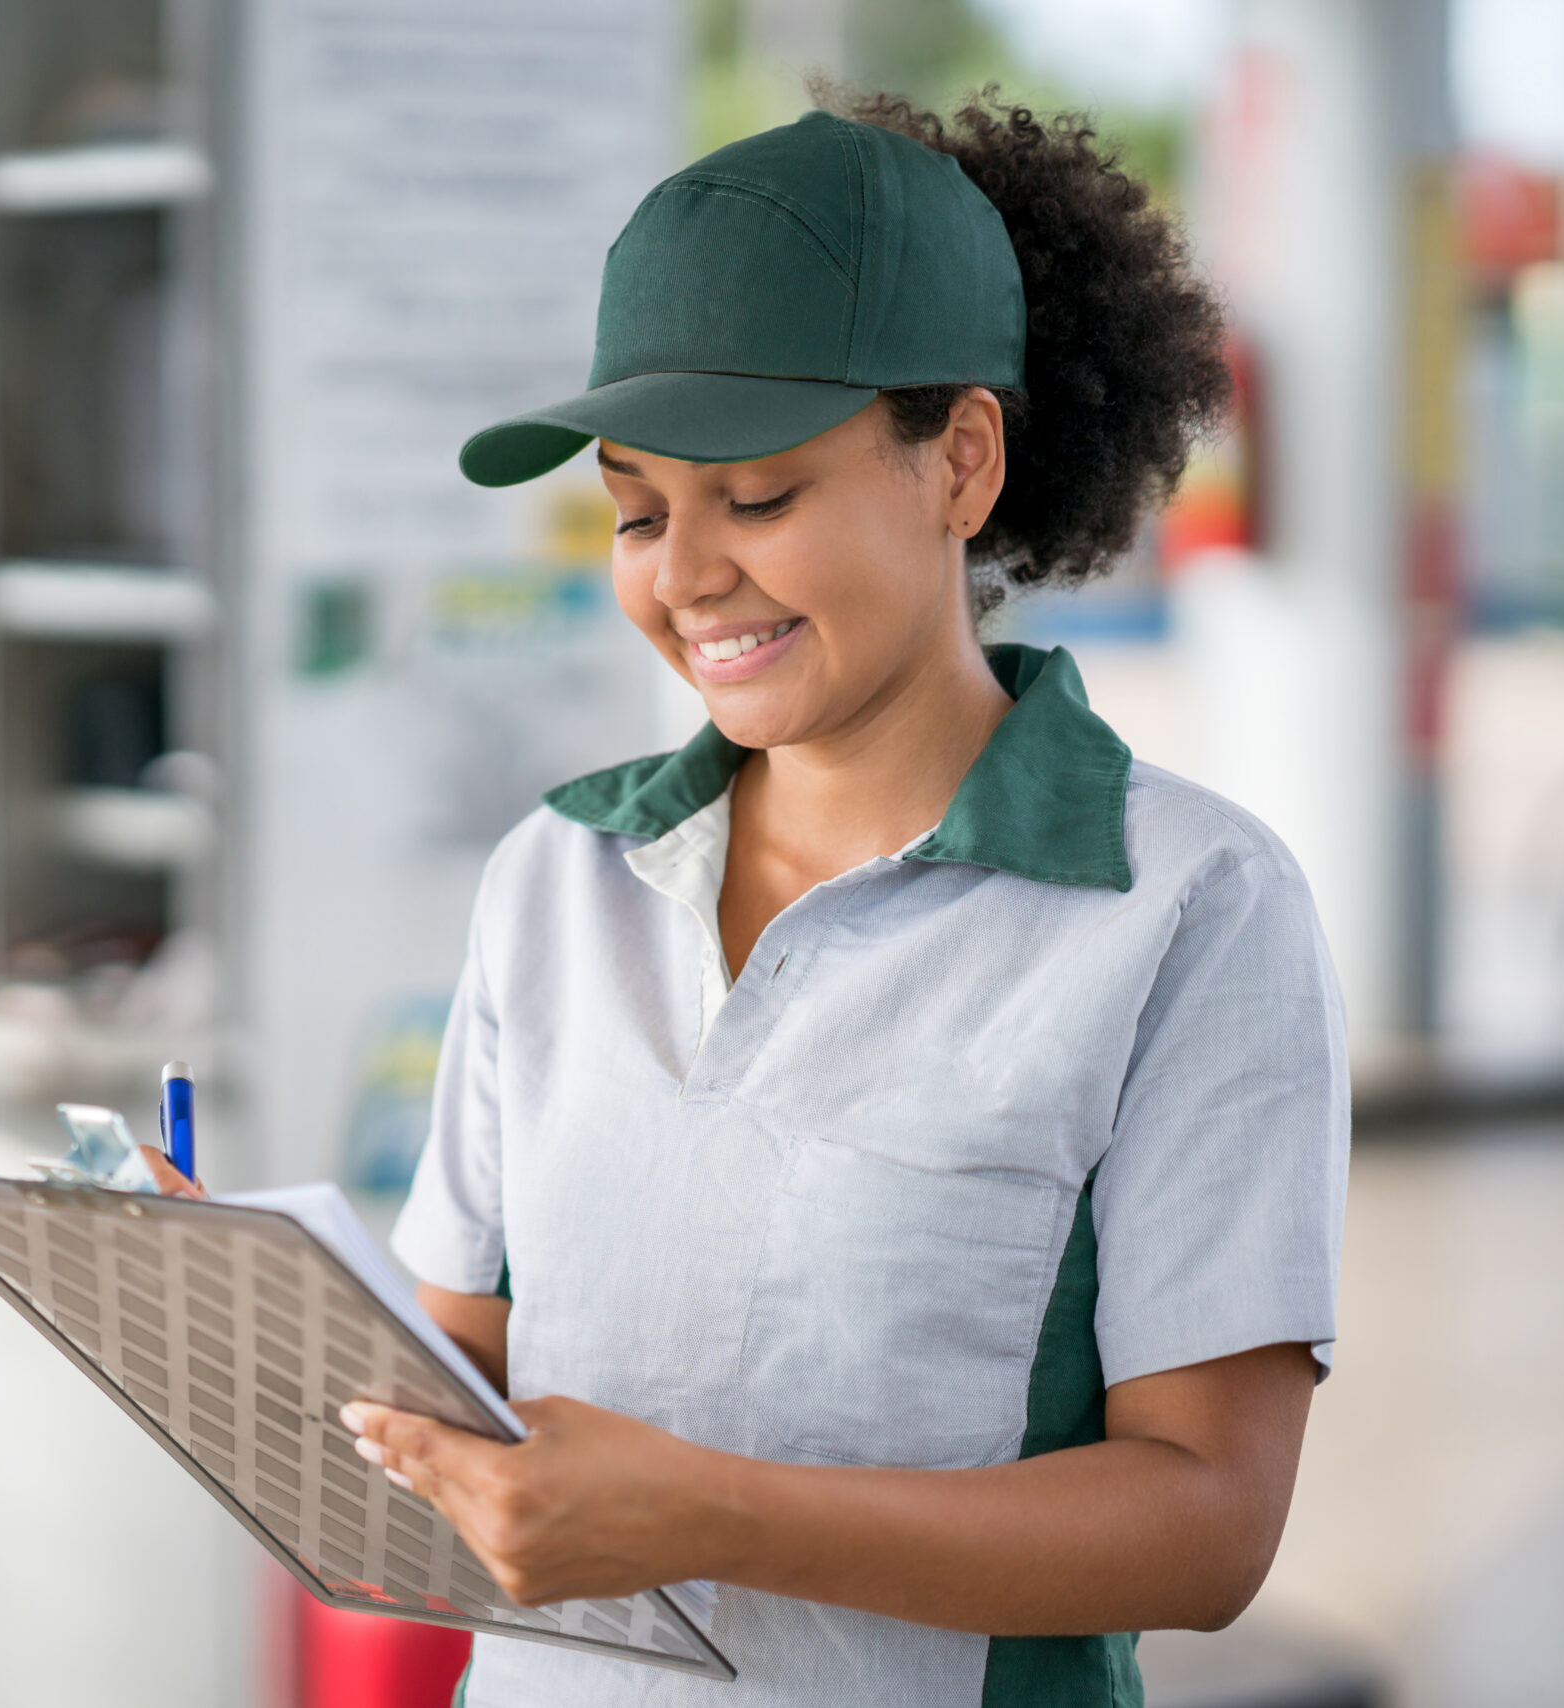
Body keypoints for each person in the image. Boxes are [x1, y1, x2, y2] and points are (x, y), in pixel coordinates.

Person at [320, 94, 1351, 1708]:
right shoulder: (560, 881)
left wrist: (709, 1511)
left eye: (761, 495)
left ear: (960, 461)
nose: (685, 576)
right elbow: (460, 1364)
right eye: (640, 508)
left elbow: (1208, 1523)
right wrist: (233, 1308)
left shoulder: (1186, 909)